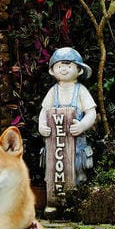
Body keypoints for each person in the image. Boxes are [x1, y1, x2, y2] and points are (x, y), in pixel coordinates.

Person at [37, 47, 96, 197]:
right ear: (52, 71)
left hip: (77, 144)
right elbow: (44, 112)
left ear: (79, 70)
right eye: (59, 66)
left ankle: (76, 199)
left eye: (69, 66)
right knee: (52, 171)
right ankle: (54, 199)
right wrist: (42, 126)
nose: (64, 69)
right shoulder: (53, 91)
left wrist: (82, 125)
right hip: (55, 145)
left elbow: (91, 113)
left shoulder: (81, 91)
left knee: (77, 171)